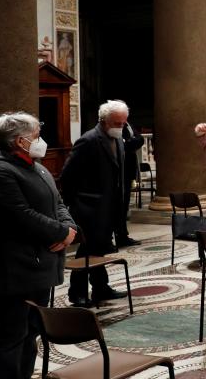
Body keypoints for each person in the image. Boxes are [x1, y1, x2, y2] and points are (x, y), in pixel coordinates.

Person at [0, 112, 77, 379]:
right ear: (21, 141)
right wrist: (60, 231)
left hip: (39, 264)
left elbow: (58, 202)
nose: (40, 140)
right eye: (36, 136)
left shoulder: (36, 166)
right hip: (16, 267)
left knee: (31, 332)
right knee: (12, 335)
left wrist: (70, 229)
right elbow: (19, 215)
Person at [60, 99, 131, 306]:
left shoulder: (116, 138)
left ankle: (101, 288)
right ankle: (77, 293)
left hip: (109, 206)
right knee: (86, 251)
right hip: (89, 208)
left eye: (124, 123)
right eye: (118, 123)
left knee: (99, 249)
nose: (121, 127)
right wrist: (77, 203)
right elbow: (67, 175)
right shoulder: (88, 140)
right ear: (104, 120)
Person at [116, 122, 144, 247]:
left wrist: (129, 142)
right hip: (118, 172)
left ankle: (123, 235)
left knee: (124, 205)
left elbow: (140, 139)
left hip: (128, 172)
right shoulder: (114, 127)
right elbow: (122, 145)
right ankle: (117, 235)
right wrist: (130, 143)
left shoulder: (128, 125)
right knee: (117, 207)